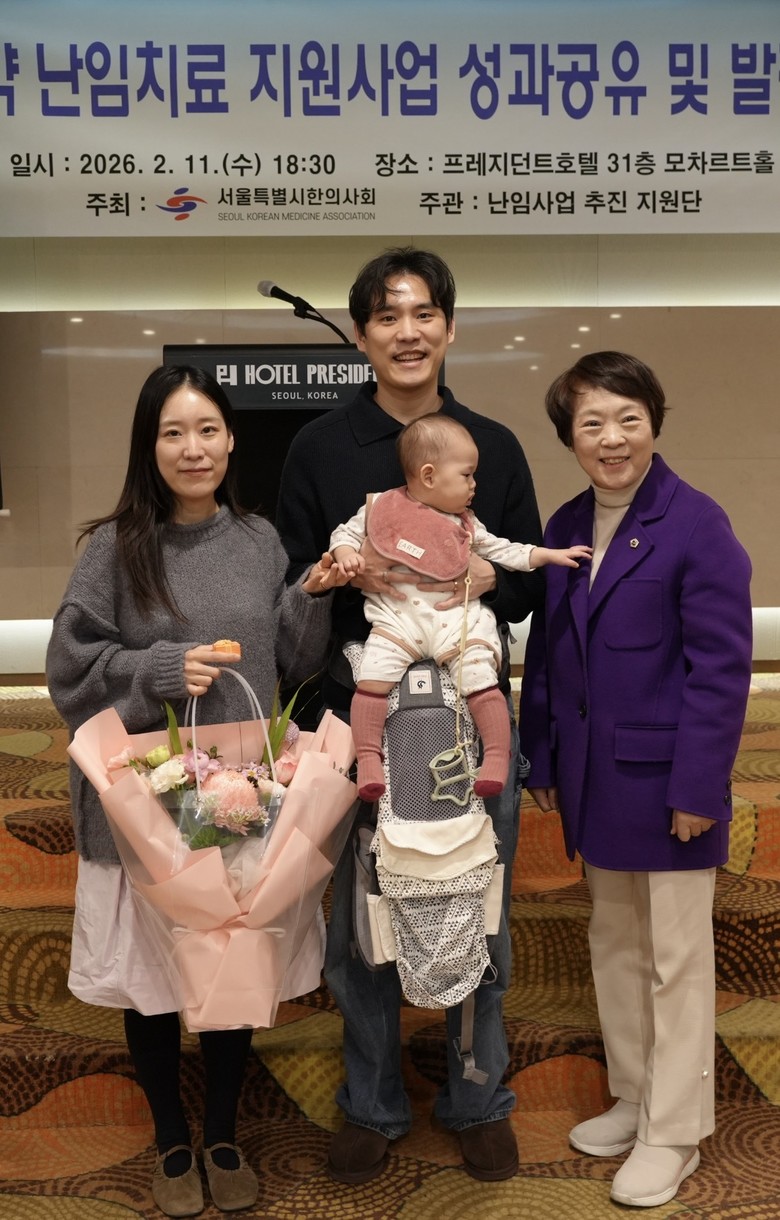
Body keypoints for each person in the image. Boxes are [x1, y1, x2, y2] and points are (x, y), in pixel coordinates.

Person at [276, 247, 544, 1184]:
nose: (407, 331)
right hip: (365, 719)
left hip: (471, 719)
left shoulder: (491, 446)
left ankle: (477, 1097)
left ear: (450, 326)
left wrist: (483, 578)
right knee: (365, 922)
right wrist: (341, 575)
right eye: (387, 316)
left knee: (480, 908)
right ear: (361, 335)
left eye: (424, 312)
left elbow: (523, 589)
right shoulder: (317, 449)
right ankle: (373, 1102)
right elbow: (296, 585)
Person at [46, 365, 336, 1218]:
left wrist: (312, 595)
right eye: (173, 432)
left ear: (231, 439)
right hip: (143, 804)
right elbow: (69, 669)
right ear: (150, 446)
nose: (192, 448)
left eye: (207, 429)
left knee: (228, 963)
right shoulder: (113, 548)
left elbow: (292, 658)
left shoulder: (257, 540)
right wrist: (165, 669)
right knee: (151, 982)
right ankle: (172, 1138)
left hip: (235, 797)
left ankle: (221, 1133)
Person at [519, 351, 752, 1209]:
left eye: (628, 419)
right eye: (592, 423)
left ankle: (675, 1130)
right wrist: (543, 754)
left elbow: (720, 672)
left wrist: (699, 788)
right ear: (570, 438)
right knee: (614, 944)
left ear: (654, 422)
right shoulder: (568, 520)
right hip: (594, 780)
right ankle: (635, 1093)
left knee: (676, 961)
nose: (612, 438)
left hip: (668, 788)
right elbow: (550, 655)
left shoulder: (697, 523)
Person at [326, 412, 591, 801]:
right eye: (467, 475)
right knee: (371, 680)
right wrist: (346, 554)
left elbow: (504, 550)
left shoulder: (466, 524)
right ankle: (368, 760)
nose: (474, 484)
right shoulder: (381, 507)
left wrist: (547, 555)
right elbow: (343, 533)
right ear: (429, 475)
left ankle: (496, 757)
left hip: (455, 621)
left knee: (480, 679)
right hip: (398, 621)